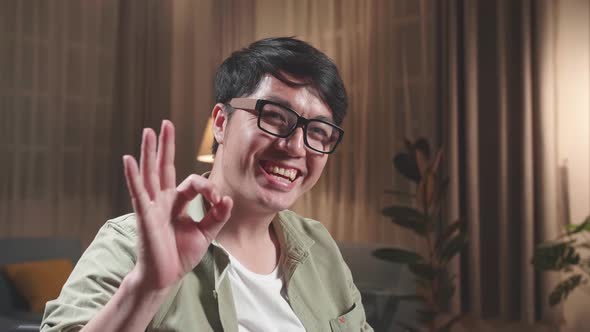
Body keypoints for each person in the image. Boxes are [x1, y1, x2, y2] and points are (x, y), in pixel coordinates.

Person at [41, 37, 373, 332]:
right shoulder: (131, 242)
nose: (297, 147)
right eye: (274, 116)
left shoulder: (318, 245)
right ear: (221, 122)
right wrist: (145, 288)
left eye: (317, 131)